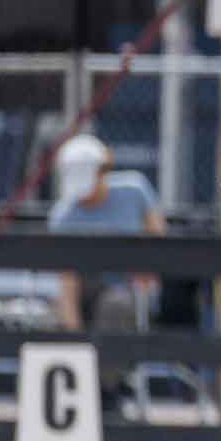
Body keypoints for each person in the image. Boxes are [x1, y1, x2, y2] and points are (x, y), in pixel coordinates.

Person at [48, 134, 165, 332]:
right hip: (85, 287)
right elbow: (67, 281)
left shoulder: (135, 190)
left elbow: (157, 238)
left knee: (115, 305)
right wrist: (74, 335)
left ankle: (111, 363)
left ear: (103, 171)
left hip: (129, 286)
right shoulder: (63, 215)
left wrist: (146, 269)